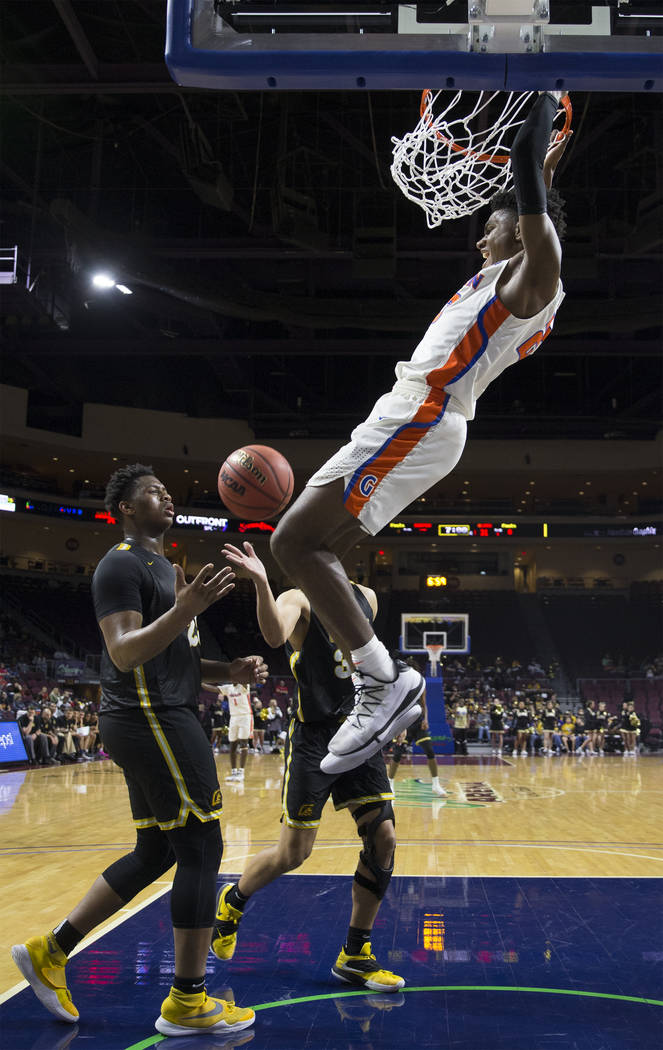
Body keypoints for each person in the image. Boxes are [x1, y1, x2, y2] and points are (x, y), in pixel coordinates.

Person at [268, 91, 571, 775]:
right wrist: (548, 170)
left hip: (422, 413)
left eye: (493, 227)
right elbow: (535, 192)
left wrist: (544, 95)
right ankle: (373, 681)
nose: (479, 236)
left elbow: (527, 178)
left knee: (292, 539)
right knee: (321, 552)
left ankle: (380, 681)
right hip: (414, 414)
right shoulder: (511, 267)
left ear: (522, 232)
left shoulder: (535, 276)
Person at [11, 464, 266, 1040]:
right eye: (153, 491)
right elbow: (124, 653)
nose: (168, 496)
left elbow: (174, 658)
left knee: (157, 850)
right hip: (150, 717)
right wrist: (188, 608)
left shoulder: (167, 570)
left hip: (159, 713)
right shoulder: (121, 564)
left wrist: (231, 670)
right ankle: (187, 1001)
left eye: (168, 490)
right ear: (125, 507)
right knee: (203, 844)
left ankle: (52, 951)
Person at [214, 540, 404, 993]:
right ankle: (234, 899)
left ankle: (355, 954)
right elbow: (276, 636)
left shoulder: (367, 598)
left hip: (357, 731)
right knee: (293, 854)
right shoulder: (296, 598)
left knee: (384, 836)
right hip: (314, 740)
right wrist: (261, 581)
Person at [387, 680, 447, 797]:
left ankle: (436, 785)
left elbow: (424, 704)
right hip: (404, 723)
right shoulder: (401, 684)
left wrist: (426, 719)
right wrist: (397, 725)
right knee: (397, 754)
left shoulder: (421, 684)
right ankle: (390, 784)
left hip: (418, 723)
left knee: (430, 751)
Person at [222, 682, 254, 782]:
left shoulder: (244, 686)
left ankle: (241, 772)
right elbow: (214, 689)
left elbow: (246, 678)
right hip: (233, 717)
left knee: (243, 743)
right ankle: (234, 772)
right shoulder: (228, 688)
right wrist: (199, 681)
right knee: (232, 745)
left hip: (245, 716)